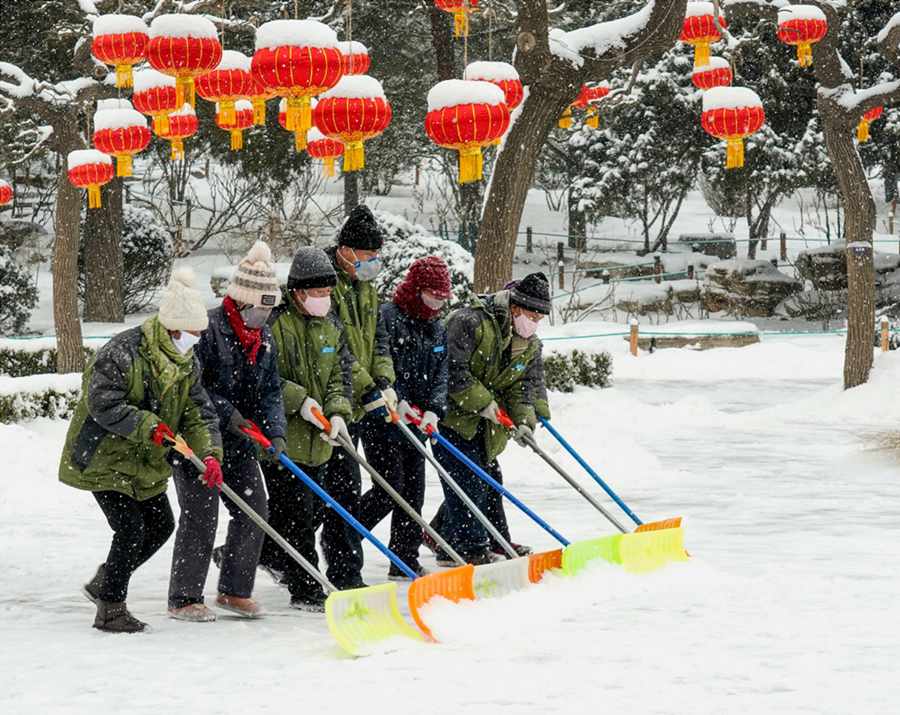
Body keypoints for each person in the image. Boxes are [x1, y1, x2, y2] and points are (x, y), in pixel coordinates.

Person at [59, 268, 223, 633]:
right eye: (193, 334)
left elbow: (199, 412)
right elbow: (102, 404)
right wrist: (148, 425)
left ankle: (106, 582)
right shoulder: (122, 352)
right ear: (173, 329)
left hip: (144, 463)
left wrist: (209, 454)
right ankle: (111, 608)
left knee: (161, 525)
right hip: (104, 457)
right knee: (130, 529)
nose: (197, 341)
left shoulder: (186, 363)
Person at [167, 242, 286, 622]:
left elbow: (271, 390)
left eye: (269, 309)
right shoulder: (208, 329)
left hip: (240, 442)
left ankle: (235, 590)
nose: (263, 316)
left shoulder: (263, 340)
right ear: (240, 301)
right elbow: (194, 387)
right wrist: (228, 412)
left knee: (255, 510)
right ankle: (184, 596)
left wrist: (275, 431)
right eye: (258, 308)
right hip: (199, 439)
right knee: (201, 514)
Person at [427, 272, 552, 565]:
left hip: (485, 426)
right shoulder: (471, 322)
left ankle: (469, 538)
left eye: (539, 317)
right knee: (468, 480)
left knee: (489, 480)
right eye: (530, 314)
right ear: (515, 307)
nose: (533, 322)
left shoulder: (528, 343)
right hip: (450, 416)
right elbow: (452, 370)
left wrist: (525, 420)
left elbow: (522, 386)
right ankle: (468, 547)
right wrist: (484, 403)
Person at [257, 246, 355, 611]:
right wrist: (299, 401)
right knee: (297, 516)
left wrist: (337, 411)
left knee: (310, 513)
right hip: (284, 437)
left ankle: (260, 551)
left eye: (328, 293)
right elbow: (264, 379)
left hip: (321, 440)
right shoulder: (274, 324)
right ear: (298, 292)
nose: (324, 300)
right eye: (317, 293)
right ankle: (308, 587)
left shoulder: (332, 326)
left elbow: (341, 377)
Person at [358, 256, 452, 579]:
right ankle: (344, 537)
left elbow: (441, 373)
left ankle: (404, 558)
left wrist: (433, 410)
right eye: (432, 295)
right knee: (390, 489)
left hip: (416, 424)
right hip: (384, 421)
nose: (437, 303)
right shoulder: (388, 317)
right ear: (416, 289)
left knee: (414, 493)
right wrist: (396, 397)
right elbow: (381, 360)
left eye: (443, 298)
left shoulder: (437, 328)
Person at [321, 205, 397, 581]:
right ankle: (344, 568)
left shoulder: (367, 287)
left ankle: (343, 556)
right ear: (345, 251)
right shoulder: (323, 284)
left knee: (387, 484)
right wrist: (366, 386)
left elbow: (378, 339)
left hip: (368, 402)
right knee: (342, 489)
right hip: (338, 402)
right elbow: (337, 348)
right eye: (366, 257)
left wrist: (383, 381)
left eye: (375, 258)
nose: (371, 264)